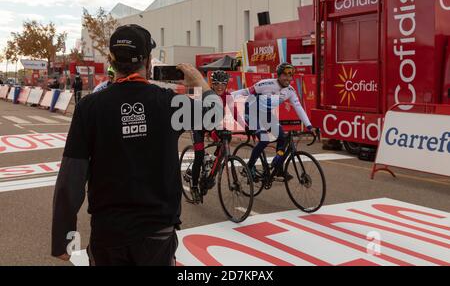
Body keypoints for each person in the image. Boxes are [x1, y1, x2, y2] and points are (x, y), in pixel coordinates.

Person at [51, 24, 219, 266]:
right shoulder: (169, 104)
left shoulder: (90, 107)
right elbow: (214, 114)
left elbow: (71, 177)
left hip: (109, 234)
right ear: (148, 61)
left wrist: (64, 238)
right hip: (157, 234)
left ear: (111, 60)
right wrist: (198, 82)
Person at [232, 62, 318, 180]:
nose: (288, 78)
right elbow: (245, 91)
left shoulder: (290, 91)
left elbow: (298, 107)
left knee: (282, 137)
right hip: (251, 112)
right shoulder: (265, 84)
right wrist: (226, 97)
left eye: (290, 75)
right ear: (278, 75)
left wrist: (309, 126)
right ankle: (249, 167)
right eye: (285, 75)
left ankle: (278, 167)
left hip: (265, 114)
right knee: (264, 140)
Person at [188, 70, 244, 203]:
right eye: (217, 83)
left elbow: (236, 114)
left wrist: (248, 127)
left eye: (223, 84)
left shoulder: (227, 96)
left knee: (226, 137)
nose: (220, 86)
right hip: (198, 125)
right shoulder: (205, 94)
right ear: (211, 84)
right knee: (199, 156)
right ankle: (194, 187)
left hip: (213, 124)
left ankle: (213, 162)